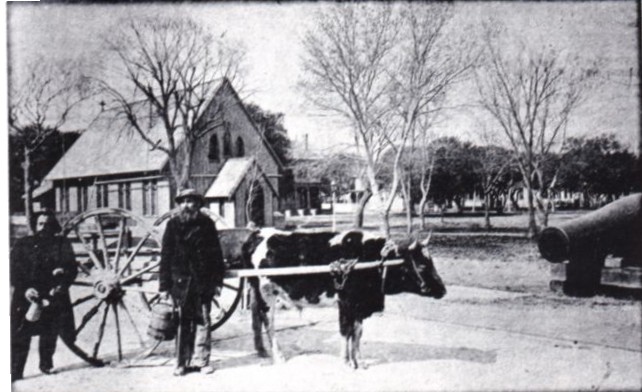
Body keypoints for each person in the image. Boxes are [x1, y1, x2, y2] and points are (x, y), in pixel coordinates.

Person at [159, 189, 226, 376]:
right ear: (179, 205)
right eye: (184, 202)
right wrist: (164, 286)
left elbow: (216, 255)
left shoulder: (207, 224)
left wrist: (218, 281)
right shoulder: (172, 225)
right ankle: (181, 363)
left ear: (198, 204)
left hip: (203, 282)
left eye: (192, 201)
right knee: (182, 323)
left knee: (203, 321)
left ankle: (202, 361)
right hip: (180, 283)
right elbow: (165, 256)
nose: (187, 205)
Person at [10, 209, 78, 382]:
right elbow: (12, 270)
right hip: (27, 295)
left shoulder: (61, 244)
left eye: (47, 224)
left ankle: (46, 364)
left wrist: (63, 283)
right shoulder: (22, 244)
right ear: (34, 225)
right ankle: (16, 370)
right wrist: (24, 289)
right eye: (40, 224)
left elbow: (72, 268)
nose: (43, 228)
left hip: (52, 294)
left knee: (50, 331)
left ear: (53, 226)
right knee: (20, 334)